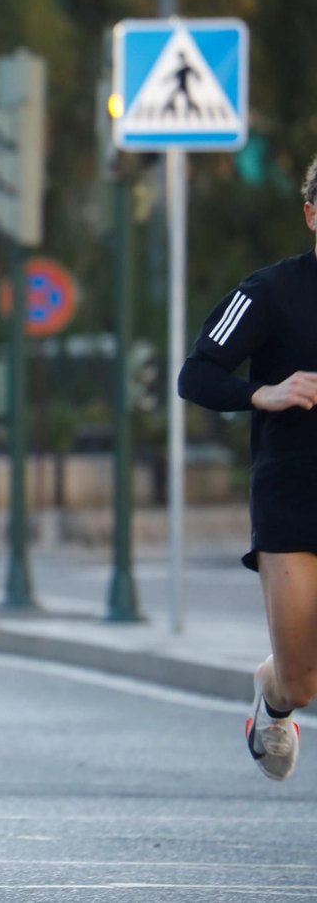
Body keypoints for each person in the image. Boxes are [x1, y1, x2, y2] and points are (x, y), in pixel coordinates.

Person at [178, 154, 317, 783]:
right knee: (302, 679)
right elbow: (196, 375)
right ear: (312, 213)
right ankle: (272, 693)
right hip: (292, 495)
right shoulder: (269, 291)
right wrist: (262, 393)